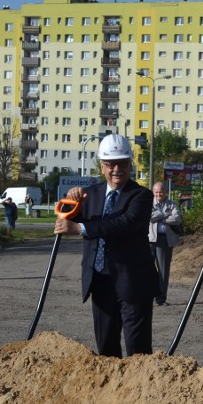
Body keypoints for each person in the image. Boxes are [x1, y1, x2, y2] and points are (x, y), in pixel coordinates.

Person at [54, 134, 158, 357]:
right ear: (102, 167)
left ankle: (138, 390)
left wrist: (80, 229)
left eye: (122, 163)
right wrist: (71, 201)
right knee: (106, 347)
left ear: (130, 164)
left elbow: (124, 224)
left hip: (133, 283)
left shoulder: (141, 195)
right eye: (110, 164)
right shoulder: (89, 195)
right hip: (100, 280)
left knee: (137, 349)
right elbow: (68, 216)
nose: (116, 169)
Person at [148, 182, 182, 306]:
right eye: (156, 192)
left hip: (165, 240)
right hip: (150, 240)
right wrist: (165, 214)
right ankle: (147, 297)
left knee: (163, 271)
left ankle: (161, 298)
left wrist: (160, 218)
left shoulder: (171, 204)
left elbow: (177, 219)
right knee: (146, 269)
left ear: (165, 192)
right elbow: (150, 217)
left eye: (161, 192)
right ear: (153, 192)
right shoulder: (148, 203)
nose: (159, 194)